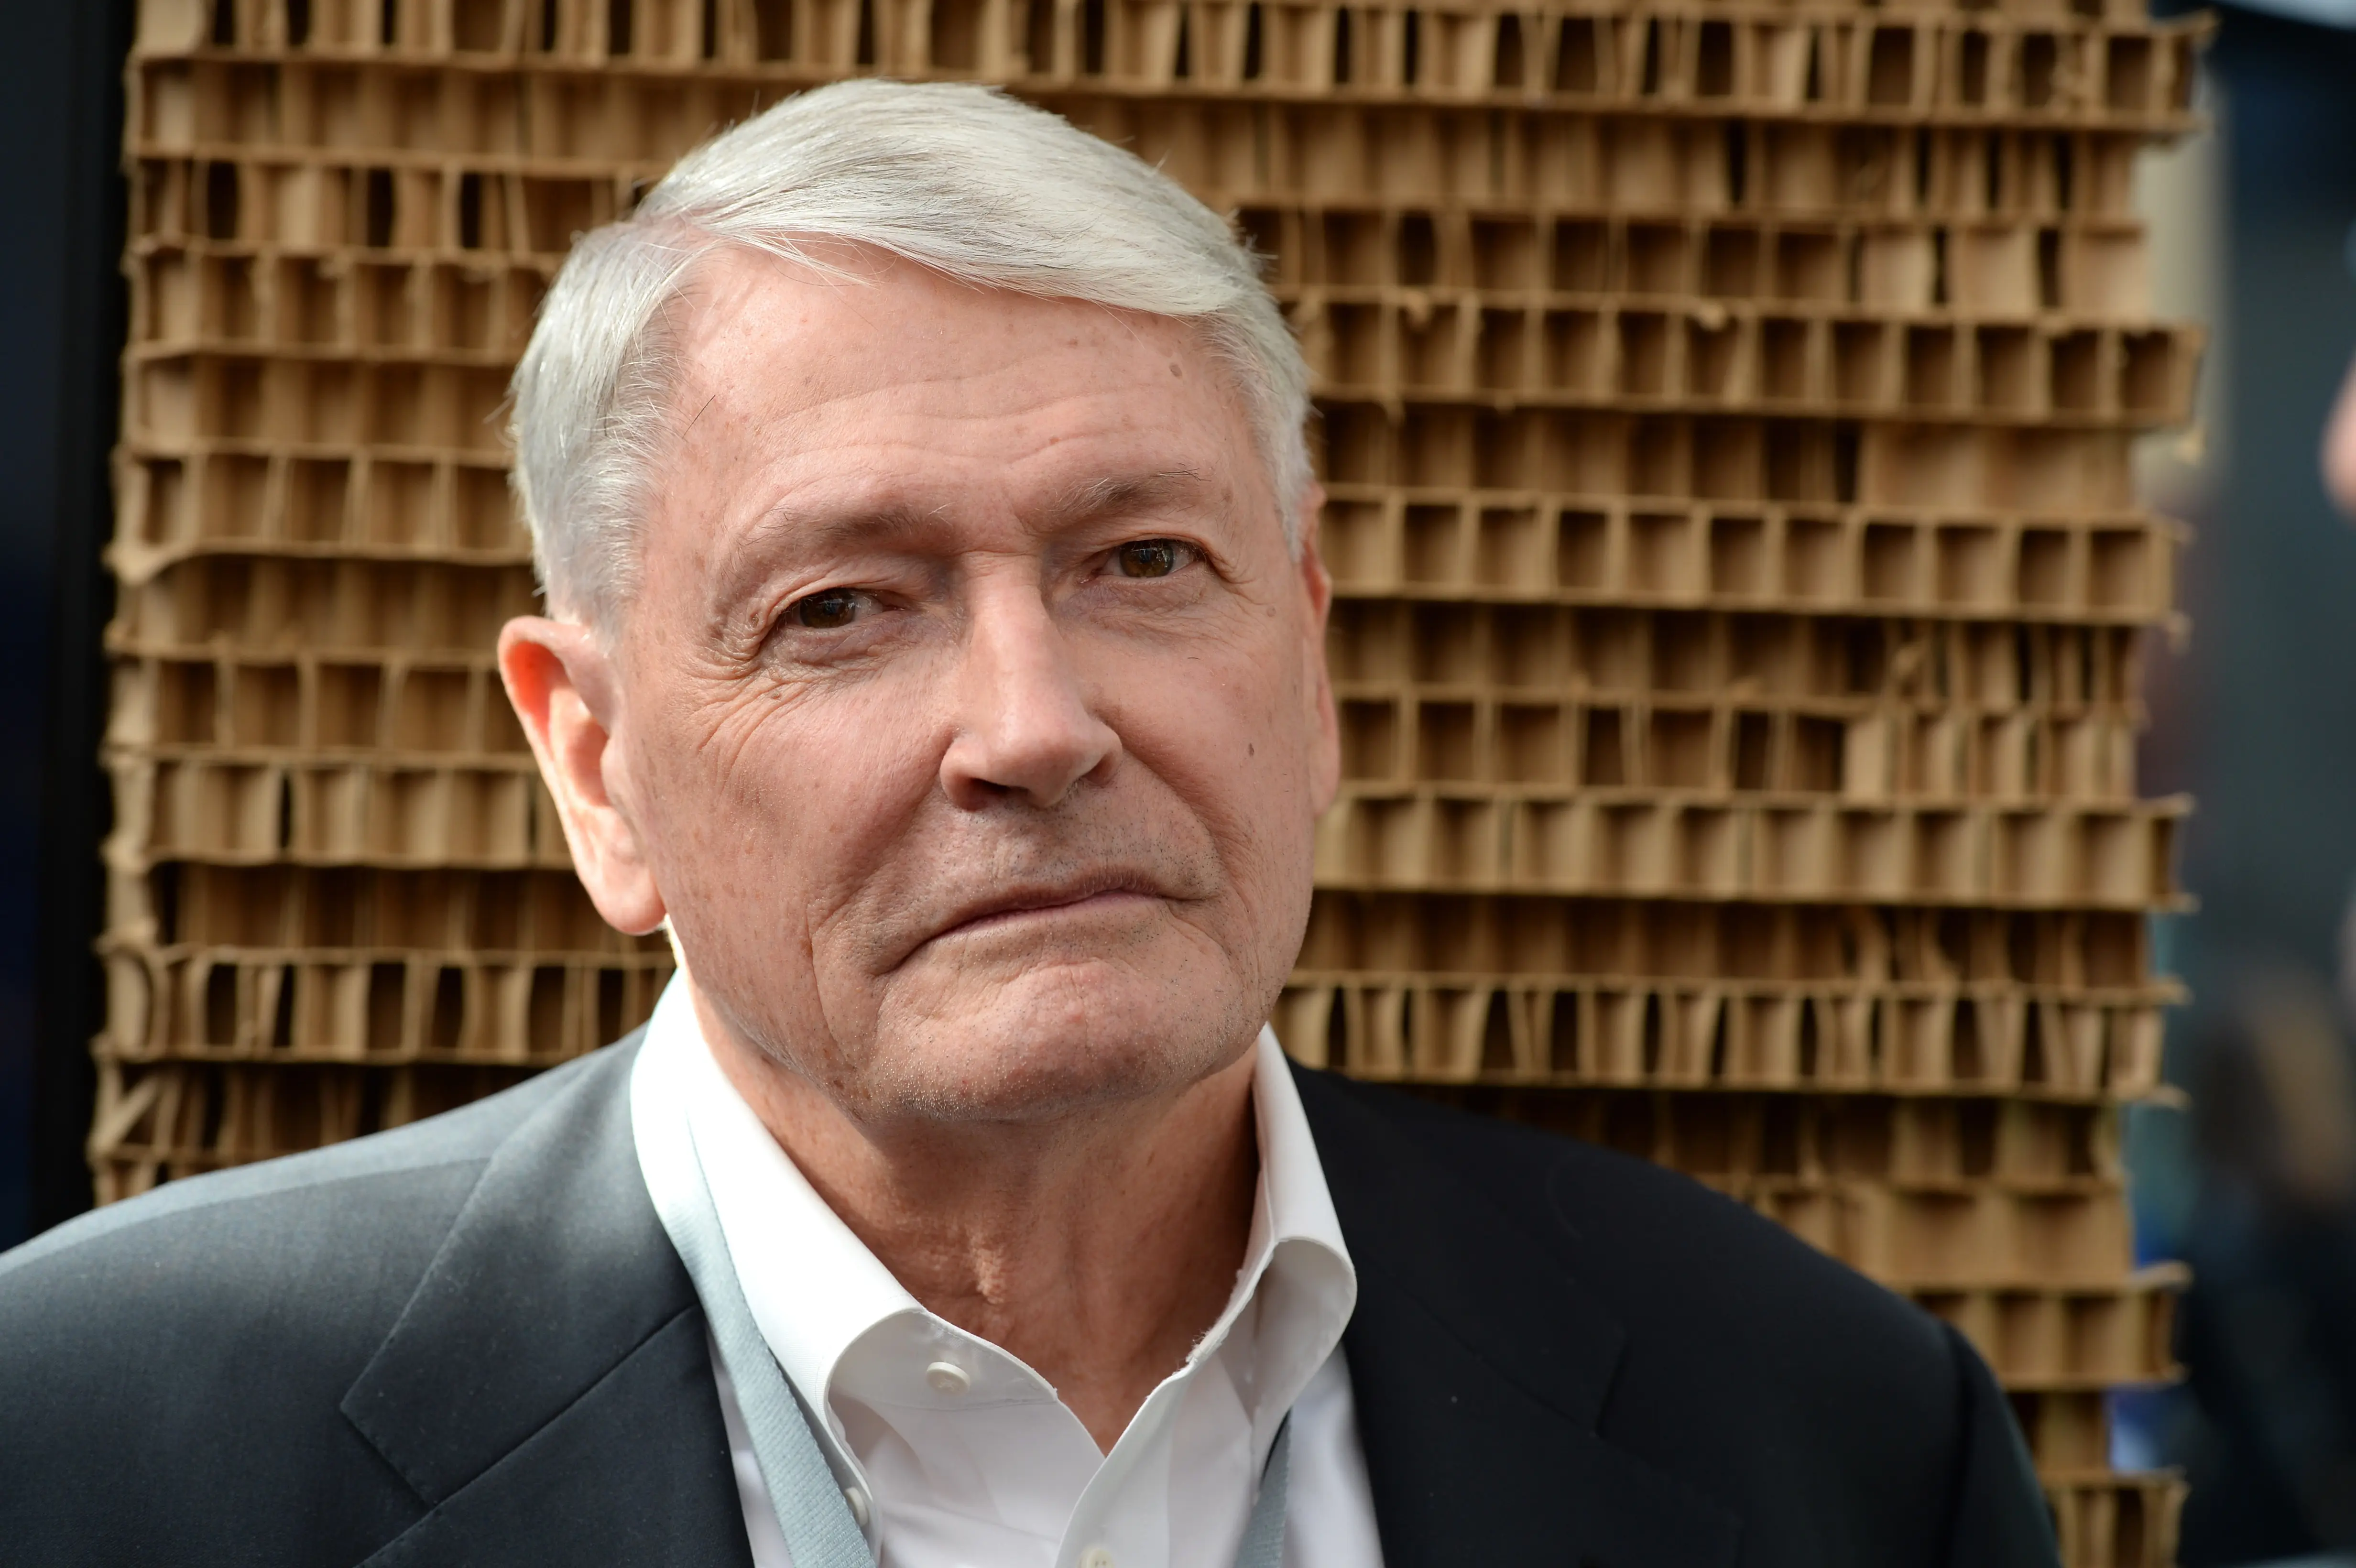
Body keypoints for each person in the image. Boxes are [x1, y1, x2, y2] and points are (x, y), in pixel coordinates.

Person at [0, 81, 2055, 1566]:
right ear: (594, 764)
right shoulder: (91, 1439)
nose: (1032, 724)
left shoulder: (1830, 1435)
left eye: (1143, 562)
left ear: (1311, 657)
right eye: (840, 610)